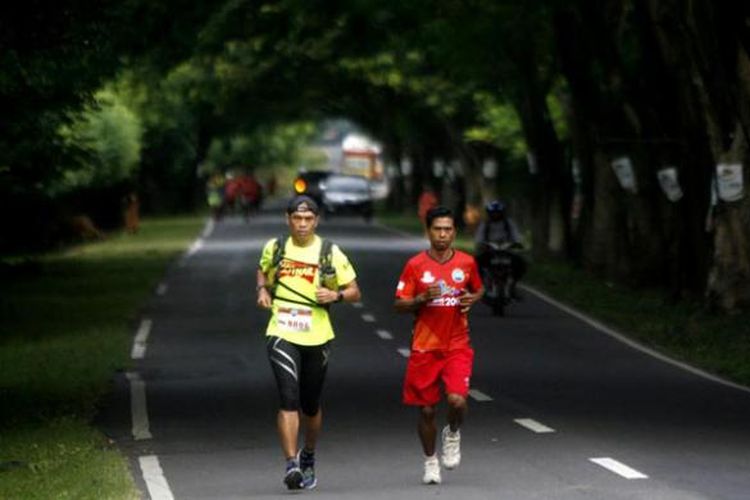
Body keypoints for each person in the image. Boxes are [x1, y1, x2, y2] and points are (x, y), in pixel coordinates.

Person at [256, 194, 361, 491]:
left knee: (310, 405)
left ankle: (309, 457)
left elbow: (354, 290)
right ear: (288, 219)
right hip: (282, 330)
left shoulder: (330, 252)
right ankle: (291, 464)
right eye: (297, 219)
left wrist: (336, 296)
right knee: (288, 397)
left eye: (307, 219)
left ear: (316, 221)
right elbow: (263, 270)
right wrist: (262, 290)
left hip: (318, 334)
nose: (302, 224)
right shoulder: (275, 248)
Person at [394, 206, 484, 485]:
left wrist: (473, 298)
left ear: (454, 232)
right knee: (427, 410)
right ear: (428, 231)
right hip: (424, 346)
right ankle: (430, 461)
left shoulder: (467, 263)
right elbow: (398, 304)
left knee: (457, 400)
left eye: (448, 229)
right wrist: (420, 299)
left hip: (457, 344)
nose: (443, 234)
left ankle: (453, 433)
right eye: (437, 229)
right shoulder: (415, 265)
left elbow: (478, 288)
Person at [474, 200, 527, 299]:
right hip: (490, 250)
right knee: (476, 264)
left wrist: (518, 243)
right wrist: (481, 244)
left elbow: (516, 235)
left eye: (498, 213)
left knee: (521, 263)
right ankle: (481, 286)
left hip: (506, 250)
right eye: (493, 213)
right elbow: (479, 236)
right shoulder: (485, 224)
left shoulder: (508, 223)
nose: (495, 215)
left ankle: (513, 284)